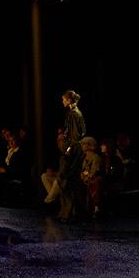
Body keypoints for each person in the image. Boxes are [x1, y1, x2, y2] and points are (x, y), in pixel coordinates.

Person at [57, 90, 86, 221]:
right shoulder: (74, 113)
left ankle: (68, 213)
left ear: (69, 100)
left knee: (65, 180)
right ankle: (70, 212)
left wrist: (68, 149)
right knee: (70, 181)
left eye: (64, 99)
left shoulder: (74, 114)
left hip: (73, 150)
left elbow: (76, 136)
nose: (62, 101)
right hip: (74, 149)